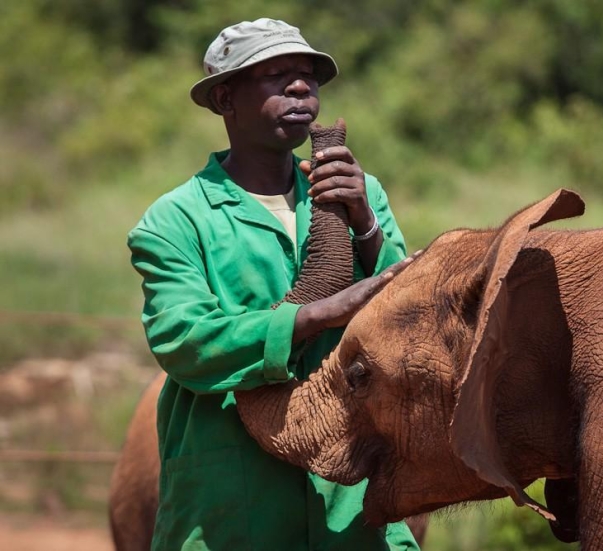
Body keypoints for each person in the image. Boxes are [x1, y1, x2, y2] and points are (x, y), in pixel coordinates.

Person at [127, 18, 418, 551]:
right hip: (231, 499)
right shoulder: (175, 221)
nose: (301, 87)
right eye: (276, 74)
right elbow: (185, 341)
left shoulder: (361, 192)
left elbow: (407, 309)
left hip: (349, 494)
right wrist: (314, 316)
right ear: (225, 98)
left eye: (309, 75)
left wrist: (364, 223)